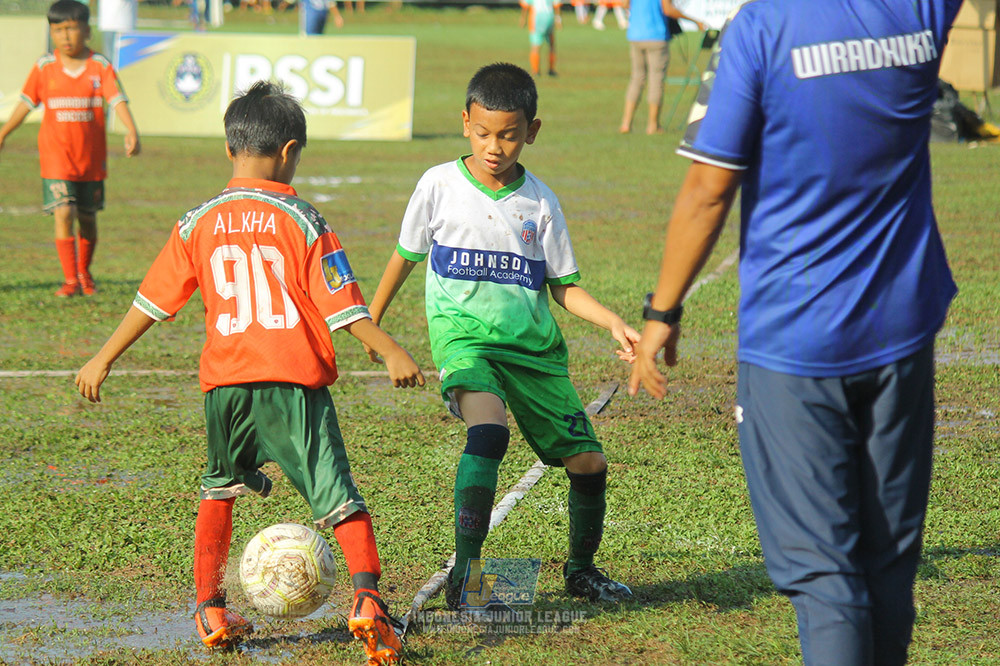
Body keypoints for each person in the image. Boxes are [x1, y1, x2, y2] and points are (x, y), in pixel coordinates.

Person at [628, 1, 961, 664]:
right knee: (889, 559)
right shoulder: (921, 6)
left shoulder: (764, 26)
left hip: (796, 340)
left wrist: (662, 312)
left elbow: (709, 186)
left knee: (823, 575)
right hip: (903, 326)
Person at [75, 81, 423, 666]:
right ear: (289, 151)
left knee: (219, 490)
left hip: (226, 388)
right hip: (293, 385)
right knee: (339, 498)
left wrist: (103, 356)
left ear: (229, 149)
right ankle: (368, 603)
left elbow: (153, 301)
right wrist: (389, 349)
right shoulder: (304, 220)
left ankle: (210, 609)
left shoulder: (197, 221)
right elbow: (343, 305)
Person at [366, 63, 640, 610]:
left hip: (533, 351)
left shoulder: (539, 202)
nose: (496, 146)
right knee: (488, 432)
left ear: (532, 131)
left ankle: (580, 571)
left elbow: (564, 287)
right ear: (466, 122)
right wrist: (370, 323)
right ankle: (465, 577)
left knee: (590, 464)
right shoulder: (438, 185)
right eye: (485, 132)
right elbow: (405, 258)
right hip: (465, 341)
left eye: (510, 135)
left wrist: (611, 319)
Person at [0, 0, 140, 298]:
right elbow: (25, 103)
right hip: (56, 159)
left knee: (88, 219)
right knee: (65, 212)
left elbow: (117, 99)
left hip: (90, 161)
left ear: (87, 30)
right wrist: (4, 133)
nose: (65, 36)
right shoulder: (44, 67)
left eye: (71, 29)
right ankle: (70, 280)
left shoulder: (99, 66)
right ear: (51, 32)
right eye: (58, 29)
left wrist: (131, 129)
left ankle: (84, 273)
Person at [618, 0, 703, 135]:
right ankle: (653, 125)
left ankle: (626, 124)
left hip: (635, 35)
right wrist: (694, 21)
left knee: (636, 78)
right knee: (656, 80)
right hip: (656, 36)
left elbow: (624, 4)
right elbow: (668, 10)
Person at [519, 0, 561, 77]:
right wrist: (558, 19)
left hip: (537, 17)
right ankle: (551, 69)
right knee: (551, 45)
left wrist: (523, 18)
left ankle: (535, 70)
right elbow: (556, 4)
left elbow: (525, 5)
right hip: (550, 17)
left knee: (535, 46)